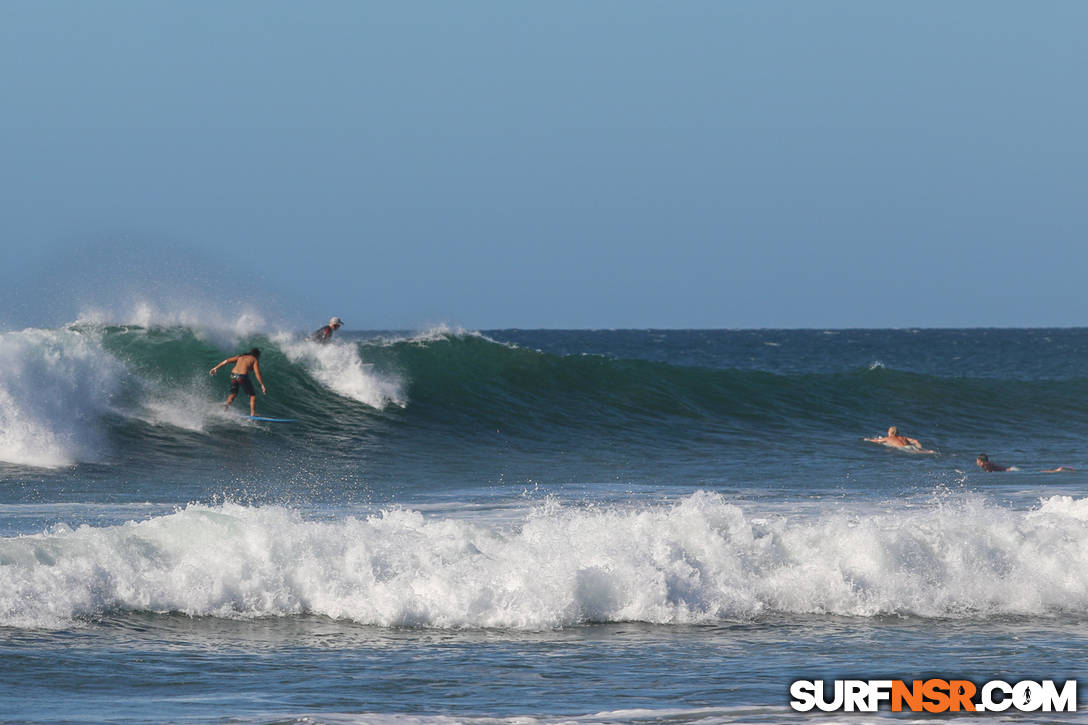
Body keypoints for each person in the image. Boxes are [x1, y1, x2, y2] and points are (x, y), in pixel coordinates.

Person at [209, 348, 266, 416]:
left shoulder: (240, 356)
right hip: (242, 376)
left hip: (233, 375)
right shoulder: (254, 359)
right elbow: (257, 373)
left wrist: (216, 368)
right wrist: (262, 384)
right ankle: (252, 413)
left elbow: (226, 361)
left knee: (233, 393)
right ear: (257, 355)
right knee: (252, 395)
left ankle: (226, 406)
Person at [865, 426, 934, 453]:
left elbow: (877, 441)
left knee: (914, 452)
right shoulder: (903, 437)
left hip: (903, 448)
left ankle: (927, 452)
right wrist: (919, 446)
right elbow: (916, 441)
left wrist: (868, 439)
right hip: (910, 446)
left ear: (890, 432)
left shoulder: (888, 438)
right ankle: (928, 451)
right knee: (918, 449)